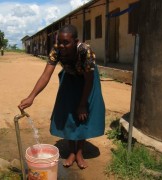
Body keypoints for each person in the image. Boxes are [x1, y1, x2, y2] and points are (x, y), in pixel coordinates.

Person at [18, 24, 105, 169]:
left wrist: (83, 103)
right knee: (68, 112)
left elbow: (88, 80)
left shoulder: (85, 51)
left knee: (83, 114)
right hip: (70, 77)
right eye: (60, 42)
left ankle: (79, 152)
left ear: (76, 41)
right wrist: (31, 96)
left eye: (66, 42)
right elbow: (46, 75)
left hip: (88, 80)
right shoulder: (56, 50)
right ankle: (71, 151)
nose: (62, 46)